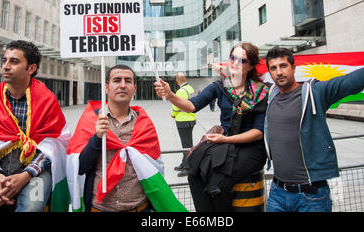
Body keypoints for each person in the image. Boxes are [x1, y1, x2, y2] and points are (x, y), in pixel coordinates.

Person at [264, 46, 364, 212]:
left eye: (283, 66)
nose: (279, 72)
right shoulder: (271, 96)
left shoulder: (314, 92)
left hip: (311, 196)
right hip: (277, 193)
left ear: (293, 67)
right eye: (273, 68)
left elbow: (351, 81)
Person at [155, 42, 268, 212]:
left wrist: (225, 139)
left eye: (242, 60)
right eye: (232, 57)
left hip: (250, 148)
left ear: (251, 66)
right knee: (194, 171)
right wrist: (170, 94)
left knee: (219, 181)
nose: (235, 63)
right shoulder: (220, 87)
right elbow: (191, 106)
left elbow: (259, 132)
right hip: (226, 145)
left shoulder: (261, 91)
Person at [0, 40, 69, 212]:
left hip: (34, 172)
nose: (6, 66)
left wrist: (26, 175)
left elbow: (55, 144)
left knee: (32, 208)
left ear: (31, 68)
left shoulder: (47, 100)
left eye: (14, 61)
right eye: (4, 60)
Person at [66, 65, 186, 212]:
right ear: (106, 87)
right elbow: (81, 167)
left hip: (139, 208)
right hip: (100, 209)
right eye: (117, 80)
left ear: (134, 89)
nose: (122, 85)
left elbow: (155, 166)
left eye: (128, 81)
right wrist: (97, 138)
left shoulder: (144, 123)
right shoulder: (92, 120)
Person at [171, 72, 196, 177]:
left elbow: (176, 105)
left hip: (183, 120)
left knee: (186, 145)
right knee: (187, 143)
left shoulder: (181, 91)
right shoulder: (191, 89)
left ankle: (187, 167)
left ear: (178, 80)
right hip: (191, 119)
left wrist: (172, 114)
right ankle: (183, 163)